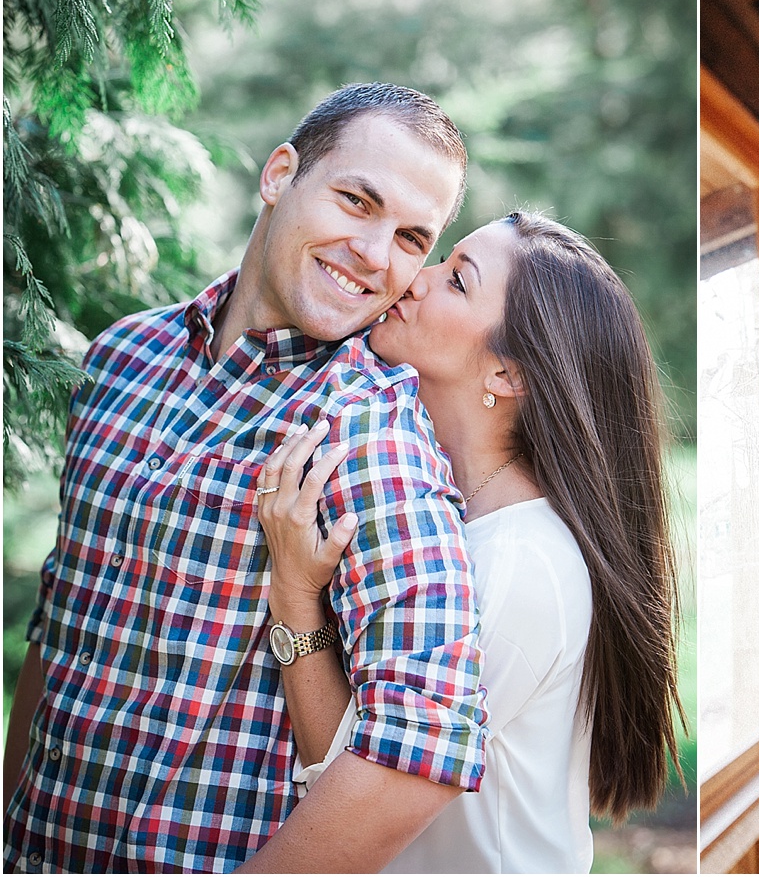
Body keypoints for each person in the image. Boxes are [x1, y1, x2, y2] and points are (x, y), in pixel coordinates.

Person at [3, 84, 490, 873]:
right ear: (278, 174)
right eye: (356, 200)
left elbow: (425, 744)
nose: (374, 254)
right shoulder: (123, 356)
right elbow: (61, 627)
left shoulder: (364, 431)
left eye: (410, 237)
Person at [253, 211, 683, 872]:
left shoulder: (517, 565)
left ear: (508, 375)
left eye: (457, 280)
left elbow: (350, 799)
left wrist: (294, 596)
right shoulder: (448, 521)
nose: (414, 281)